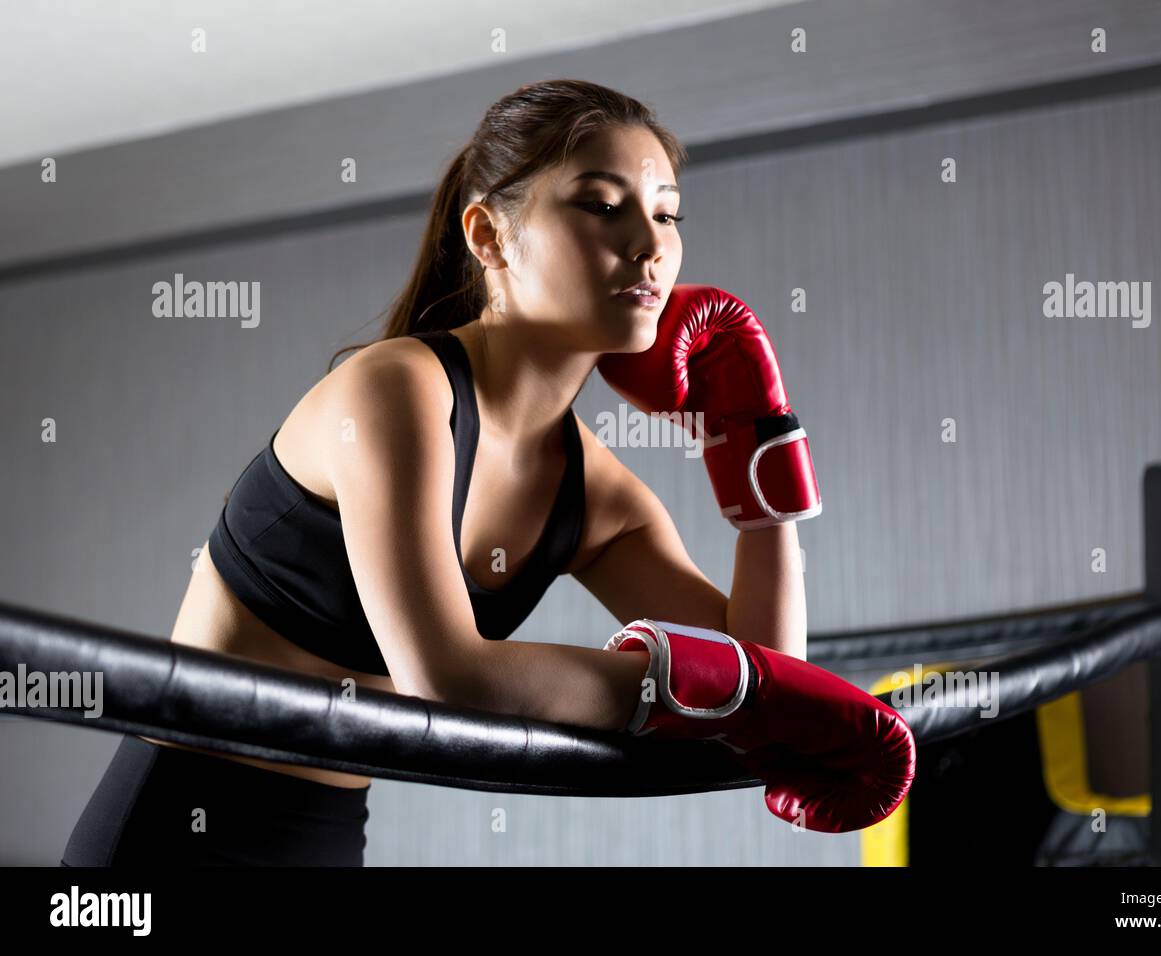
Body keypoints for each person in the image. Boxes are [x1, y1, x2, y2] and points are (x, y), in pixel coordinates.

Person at [62, 78, 913, 866]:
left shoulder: (596, 490)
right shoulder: (395, 389)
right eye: (601, 206)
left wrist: (756, 453)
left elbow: (767, 684)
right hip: (169, 824)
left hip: (326, 834)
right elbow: (448, 675)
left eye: (668, 214)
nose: (651, 245)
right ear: (489, 233)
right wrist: (677, 679)